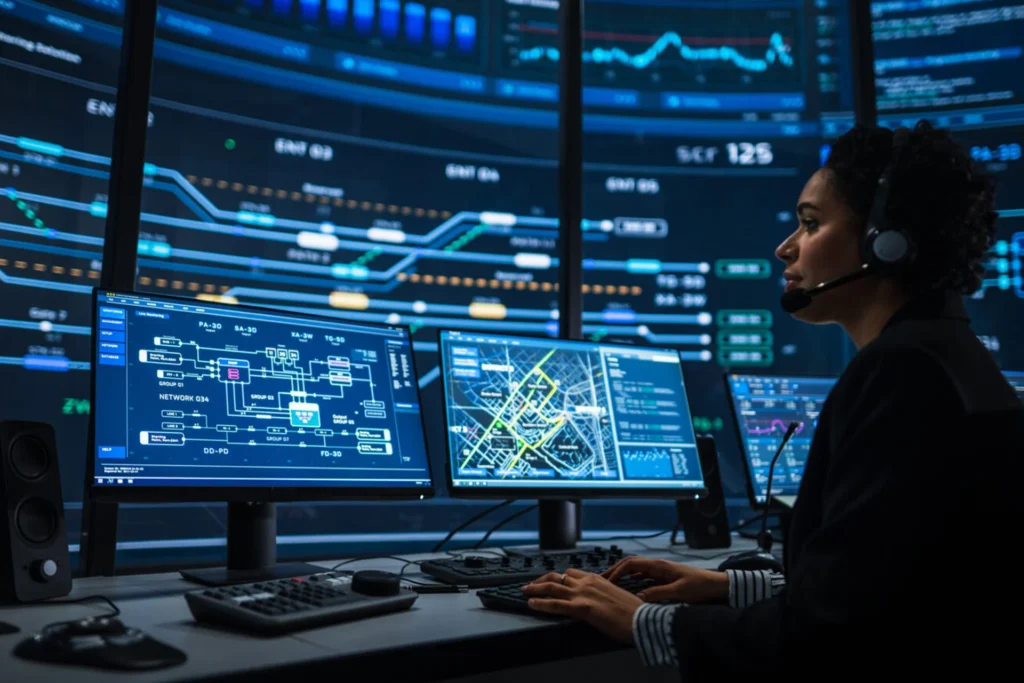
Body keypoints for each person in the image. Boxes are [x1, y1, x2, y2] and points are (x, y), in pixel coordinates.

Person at [520, 122, 1024, 677]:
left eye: (810, 224)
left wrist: (640, 619)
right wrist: (731, 585)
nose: (785, 247)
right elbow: (892, 584)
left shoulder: (901, 374)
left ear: (887, 242)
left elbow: (829, 637)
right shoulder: (951, 355)